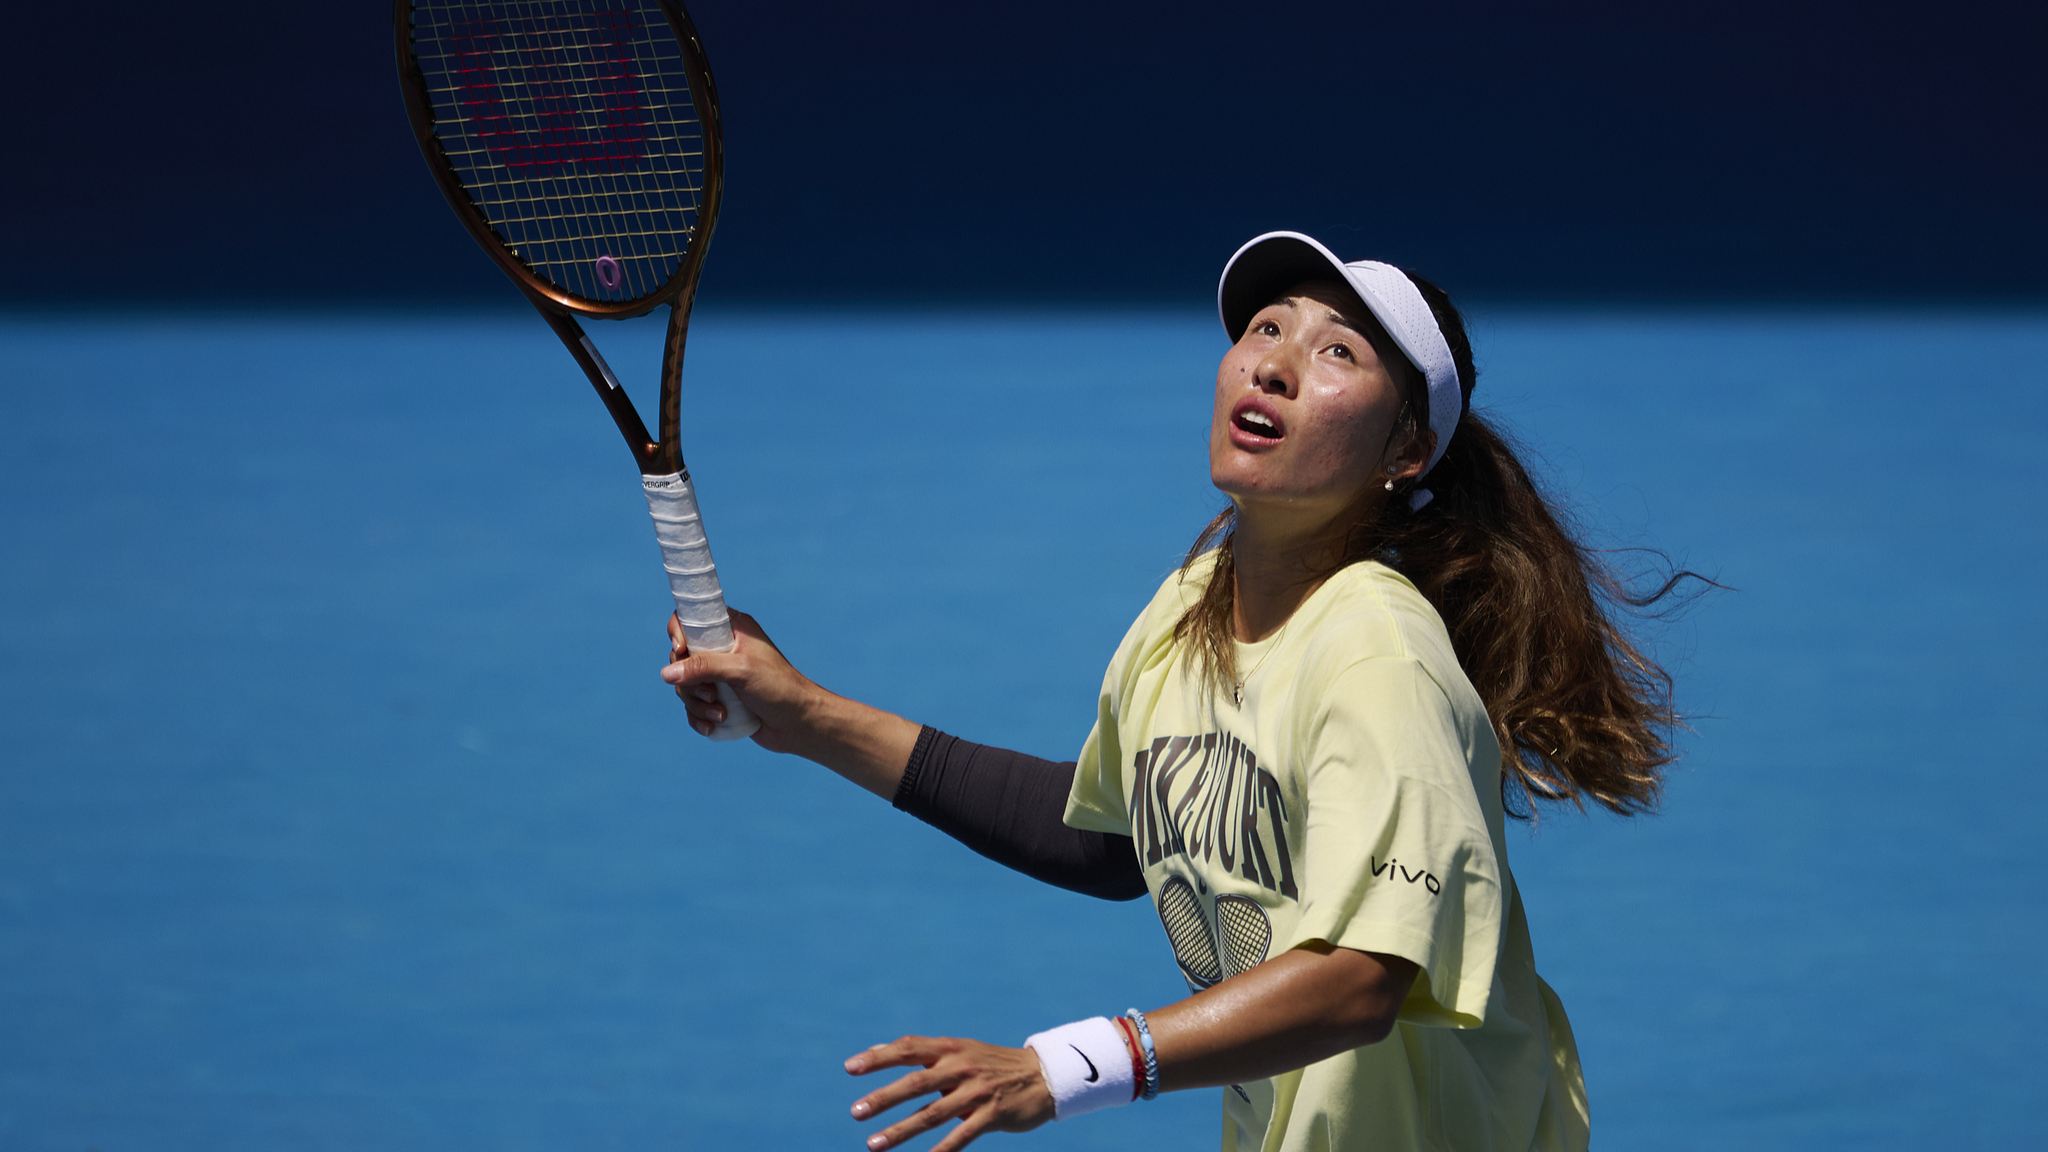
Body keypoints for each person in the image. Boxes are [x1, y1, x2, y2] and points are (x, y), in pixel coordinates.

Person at [660, 231, 1690, 1152]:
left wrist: (1068, 1067)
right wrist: (807, 718)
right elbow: (1115, 842)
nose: (1276, 363)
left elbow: (1360, 979)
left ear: (1406, 451)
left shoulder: (1378, 654)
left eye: (1337, 351)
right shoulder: (1193, 605)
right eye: (1266, 327)